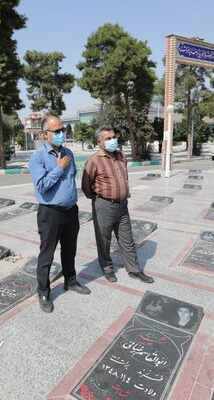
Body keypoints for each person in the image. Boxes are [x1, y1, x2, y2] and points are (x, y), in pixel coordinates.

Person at [29, 116, 90, 313]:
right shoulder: (37, 156)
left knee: (69, 250)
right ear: (45, 134)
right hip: (50, 213)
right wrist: (58, 169)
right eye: (56, 131)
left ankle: (70, 281)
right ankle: (43, 292)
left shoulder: (69, 153)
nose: (61, 134)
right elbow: (42, 186)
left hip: (71, 211)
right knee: (47, 254)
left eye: (62, 130)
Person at [81, 125, 154, 284]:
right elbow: (86, 186)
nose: (113, 140)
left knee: (127, 238)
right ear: (99, 142)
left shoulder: (121, 156)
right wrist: (98, 198)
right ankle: (107, 268)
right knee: (104, 239)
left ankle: (134, 270)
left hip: (122, 205)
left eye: (114, 137)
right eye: (108, 139)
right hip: (104, 205)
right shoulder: (94, 160)